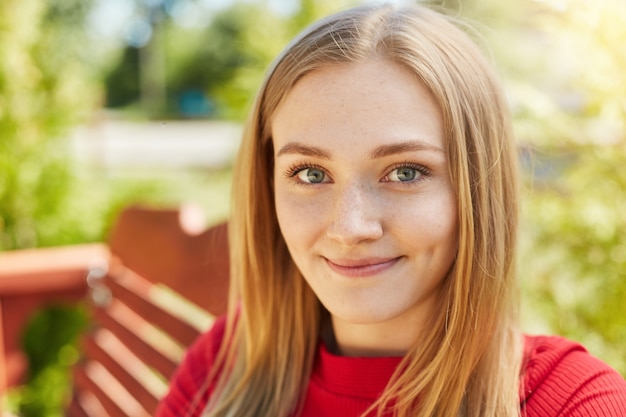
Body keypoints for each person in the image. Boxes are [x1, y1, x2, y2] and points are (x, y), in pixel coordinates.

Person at [155, 3, 626, 417]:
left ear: (478, 189)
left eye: (405, 172)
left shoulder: (572, 403)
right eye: (311, 174)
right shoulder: (227, 364)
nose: (350, 227)